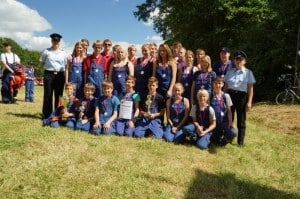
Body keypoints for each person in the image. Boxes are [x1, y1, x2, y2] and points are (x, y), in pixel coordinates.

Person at [224, 51, 255, 146]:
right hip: (230, 95)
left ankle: (240, 142)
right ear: (234, 61)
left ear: (244, 61)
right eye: (237, 59)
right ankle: (228, 138)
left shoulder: (248, 73)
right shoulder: (230, 72)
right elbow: (225, 86)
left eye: (240, 59)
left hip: (241, 97)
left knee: (241, 120)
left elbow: (250, 89)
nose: (238, 61)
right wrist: (223, 97)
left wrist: (249, 102)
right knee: (229, 117)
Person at [40, 33, 68, 119]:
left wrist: (66, 79)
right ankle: (47, 115)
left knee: (59, 95)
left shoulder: (64, 53)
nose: (55, 42)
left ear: (59, 42)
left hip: (60, 75)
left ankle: (57, 114)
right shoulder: (46, 51)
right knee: (48, 95)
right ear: (51, 41)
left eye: (57, 41)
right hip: (49, 74)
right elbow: (41, 63)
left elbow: (66, 66)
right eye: (54, 40)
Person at [210, 77, 237, 146]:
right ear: (213, 84)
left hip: (224, 121)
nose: (217, 85)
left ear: (223, 84)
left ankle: (225, 141)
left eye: (219, 83)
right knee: (215, 141)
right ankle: (217, 137)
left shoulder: (226, 96)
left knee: (233, 132)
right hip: (214, 123)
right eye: (215, 83)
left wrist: (231, 123)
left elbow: (229, 111)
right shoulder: (210, 95)